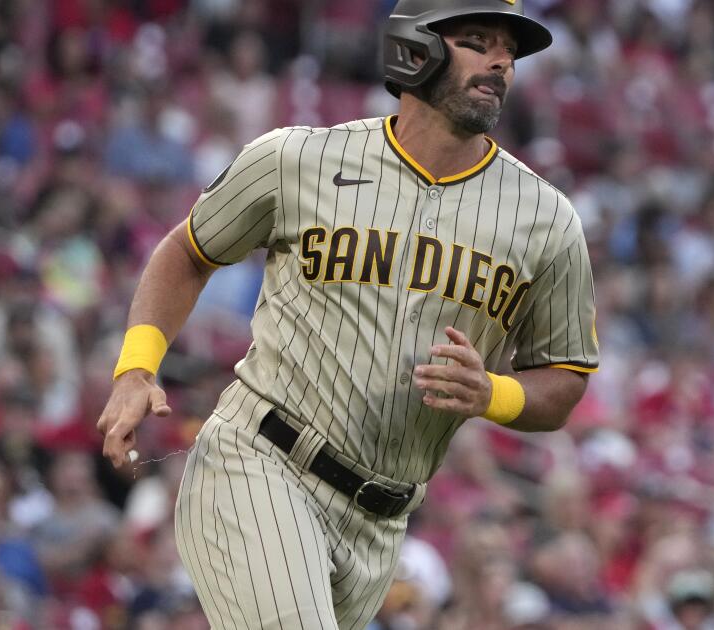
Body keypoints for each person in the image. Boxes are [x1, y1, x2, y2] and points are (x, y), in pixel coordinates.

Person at [96, 1, 598, 628]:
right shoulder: (299, 159)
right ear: (416, 48)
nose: (500, 61)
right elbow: (187, 251)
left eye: (510, 51)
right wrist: (136, 368)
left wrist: (490, 393)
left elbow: (564, 380)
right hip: (262, 462)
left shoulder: (547, 220)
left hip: (381, 521)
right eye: (478, 40)